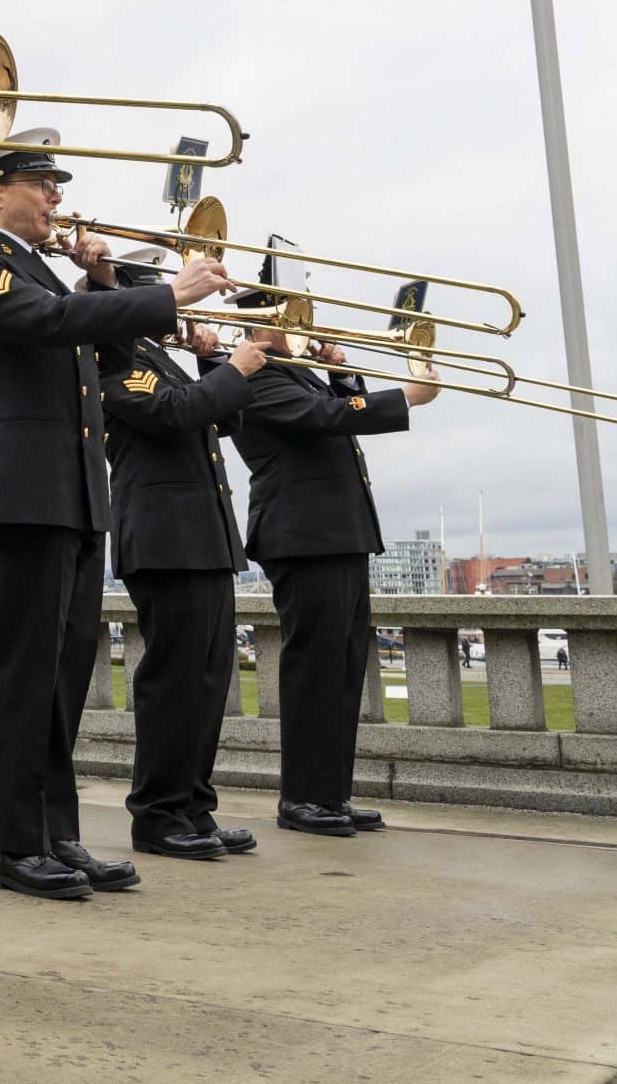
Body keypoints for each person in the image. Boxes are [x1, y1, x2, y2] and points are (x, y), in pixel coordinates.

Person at [0, 131, 234, 901]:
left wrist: (103, 281)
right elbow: (49, 323)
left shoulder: (42, 272)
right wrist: (169, 293)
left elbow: (88, 336)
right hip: (19, 491)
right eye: (43, 183)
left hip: (67, 493)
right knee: (25, 674)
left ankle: (55, 833)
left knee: (64, 676)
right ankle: (13, 845)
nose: (57, 198)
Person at [229, 266, 435, 838]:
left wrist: (340, 372)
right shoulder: (253, 376)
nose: (302, 324)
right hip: (304, 537)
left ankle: (330, 796)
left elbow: (338, 414)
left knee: (343, 673)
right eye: (289, 315)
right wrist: (408, 396)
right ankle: (303, 799)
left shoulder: (297, 375)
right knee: (315, 672)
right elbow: (325, 421)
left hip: (338, 535)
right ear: (259, 324)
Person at [96, 295, 267, 859]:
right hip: (166, 540)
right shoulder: (115, 361)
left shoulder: (156, 357)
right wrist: (233, 369)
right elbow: (172, 414)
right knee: (175, 680)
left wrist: (213, 360)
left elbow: (224, 414)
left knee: (211, 678)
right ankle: (157, 813)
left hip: (203, 538)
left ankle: (193, 806)